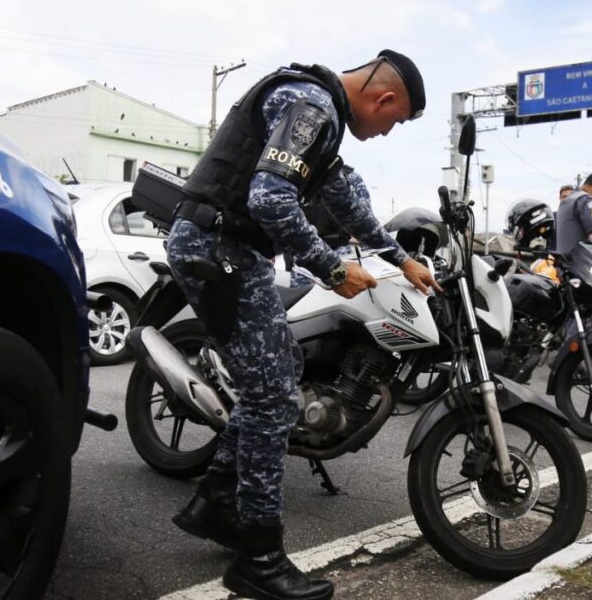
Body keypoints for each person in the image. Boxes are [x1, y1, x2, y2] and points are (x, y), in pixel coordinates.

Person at [166, 50, 439, 600]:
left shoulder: (320, 115)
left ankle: (216, 500)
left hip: (229, 249)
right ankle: (258, 559)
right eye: (394, 122)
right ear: (384, 100)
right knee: (273, 399)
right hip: (219, 249)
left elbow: (345, 202)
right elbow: (271, 198)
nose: (386, 133)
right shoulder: (311, 105)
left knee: (281, 372)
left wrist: (398, 255)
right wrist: (332, 268)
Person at [286, 164, 371, 288]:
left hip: (340, 259)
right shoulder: (293, 173)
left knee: (339, 304)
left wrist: (368, 263)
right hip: (303, 263)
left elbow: (365, 225)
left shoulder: (350, 177)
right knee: (305, 305)